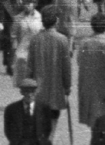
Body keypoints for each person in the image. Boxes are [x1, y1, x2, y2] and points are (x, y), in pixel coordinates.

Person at [25, 10, 71, 138]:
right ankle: (49, 139)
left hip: (38, 87)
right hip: (55, 86)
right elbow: (66, 66)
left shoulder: (35, 39)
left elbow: (30, 64)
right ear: (56, 21)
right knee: (53, 115)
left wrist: (27, 83)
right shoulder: (63, 40)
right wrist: (67, 86)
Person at [77, 13, 105, 130]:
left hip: (87, 85)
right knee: (103, 118)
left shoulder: (84, 43)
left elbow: (79, 61)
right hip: (104, 86)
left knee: (93, 121)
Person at [3, 78, 54, 145]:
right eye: (26, 91)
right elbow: (8, 131)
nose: (29, 94)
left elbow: (48, 129)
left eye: (32, 91)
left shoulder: (44, 109)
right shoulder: (11, 109)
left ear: (36, 92)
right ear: (21, 92)